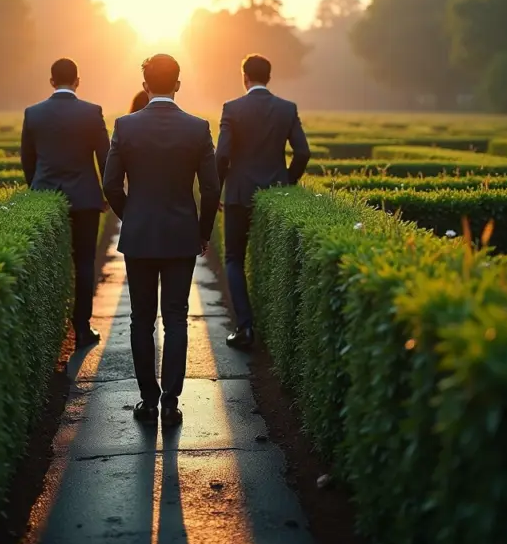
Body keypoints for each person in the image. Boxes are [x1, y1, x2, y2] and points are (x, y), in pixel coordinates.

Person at [103, 54, 221, 428]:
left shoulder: (125, 125)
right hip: (180, 236)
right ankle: (171, 403)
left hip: (140, 236)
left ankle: (148, 401)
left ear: (145, 86)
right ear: (178, 84)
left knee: (141, 320)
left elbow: (109, 185)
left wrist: (132, 217)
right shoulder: (198, 128)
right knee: (176, 319)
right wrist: (201, 232)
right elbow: (212, 187)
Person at [216, 54, 311, 349]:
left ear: (244, 76)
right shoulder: (286, 108)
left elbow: (221, 156)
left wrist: (220, 189)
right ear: (268, 77)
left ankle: (245, 326)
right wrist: (287, 182)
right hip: (275, 193)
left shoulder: (232, 108)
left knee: (234, 258)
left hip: (239, 195)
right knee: (273, 258)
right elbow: (303, 153)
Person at [21, 58, 110, 348]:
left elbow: (27, 160)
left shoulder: (33, 114)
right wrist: (107, 194)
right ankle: (82, 328)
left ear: (51, 81)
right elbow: (105, 158)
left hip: (46, 195)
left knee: (50, 264)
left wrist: (37, 188)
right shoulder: (92, 112)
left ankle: (50, 329)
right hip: (85, 198)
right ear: (77, 81)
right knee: (85, 262)